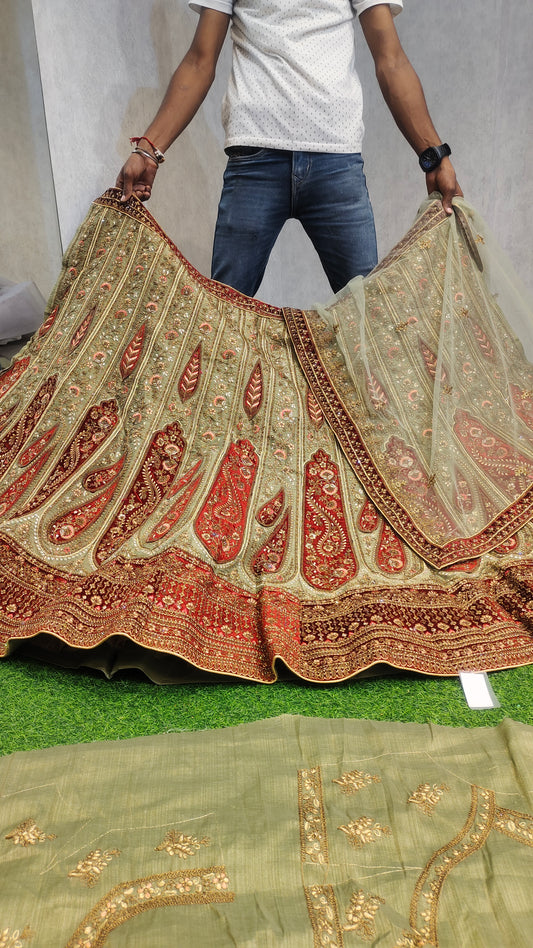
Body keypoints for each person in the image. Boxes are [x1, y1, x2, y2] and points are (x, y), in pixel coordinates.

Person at [123, 1, 462, 295]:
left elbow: (391, 61)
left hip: (336, 161)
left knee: (365, 321)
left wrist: (434, 156)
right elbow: (199, 61)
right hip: (254, 160)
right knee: (224, 319)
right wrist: (148, 150)